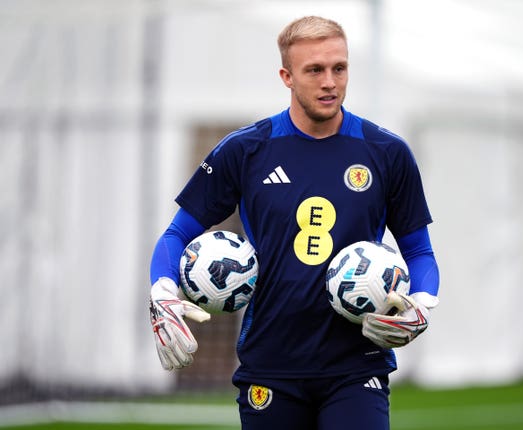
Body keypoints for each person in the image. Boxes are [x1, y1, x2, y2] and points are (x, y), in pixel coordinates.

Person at [149, 15, 440, 430]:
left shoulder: (386, 152)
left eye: (339, 68)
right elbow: (177, 233)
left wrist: (423, 304)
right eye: (315, 70)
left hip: (357, 366)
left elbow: (418, 250)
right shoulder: (247, 150)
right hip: (270, 365)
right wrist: (162, 291)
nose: (330, 82)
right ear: (286, 76)